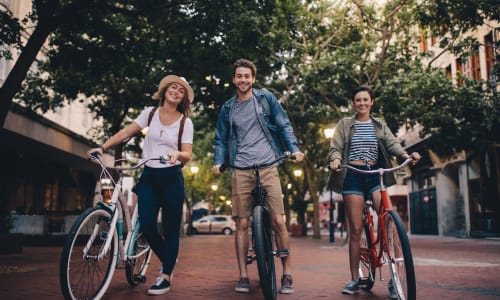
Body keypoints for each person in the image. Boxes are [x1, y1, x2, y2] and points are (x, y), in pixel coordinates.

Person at [88, 75, 194, 296]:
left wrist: (177, 154)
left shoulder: (185, 122)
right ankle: (169, 260)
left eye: (181, 90)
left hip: (172, 178)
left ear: (184, 98)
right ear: (165, 90)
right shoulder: (150, 113)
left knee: (171, 230)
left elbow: (188, 154)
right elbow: (127, 132)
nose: (176, 91)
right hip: (149, 177)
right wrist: (103, 146)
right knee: (146, 225)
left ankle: (165, 275)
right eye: (173, 87)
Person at [211, 58, 304, 294]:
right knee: (242, 223)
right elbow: (221, 138)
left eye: (247, 76)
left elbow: (283, 124)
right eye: (239, 76)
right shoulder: (228, 108)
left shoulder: (265, 99)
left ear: (253, 78)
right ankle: (243, 275)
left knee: (278, 221)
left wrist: (294, 148)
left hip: (268, 165)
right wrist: (219, 161)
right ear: (234, 79)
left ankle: (287, 273)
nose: (243, 80)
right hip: (241, 168)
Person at [327, 85, 420, 298]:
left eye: (365, 100)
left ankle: (394, 278)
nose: (362, 103)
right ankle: (353, 279)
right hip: (352, 176)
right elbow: (336, 146)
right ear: (354, 103)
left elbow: (393, 144)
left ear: (372, 102)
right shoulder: (345, 124)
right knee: (356, 230)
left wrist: (406, 155)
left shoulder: (380, 125)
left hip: (375, 176)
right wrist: (335, 159)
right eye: (358, 100)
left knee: (390, 222)